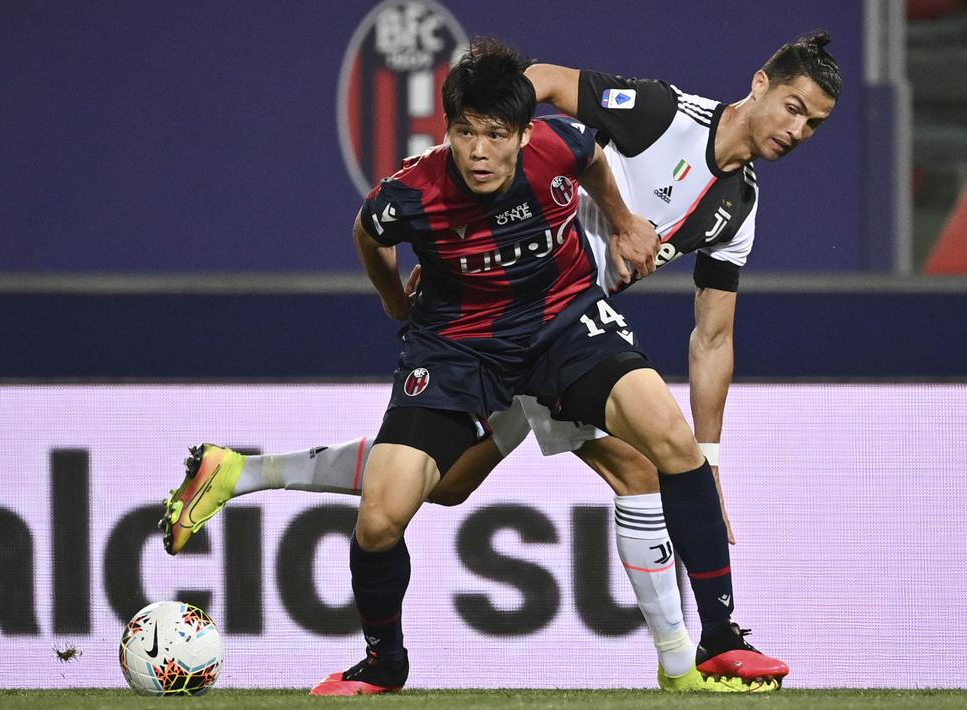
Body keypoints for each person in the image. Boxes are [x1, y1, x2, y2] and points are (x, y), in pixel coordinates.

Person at [161, 32, 840, 694]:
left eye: (813, 123)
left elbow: (712, 339)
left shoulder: (738, 206)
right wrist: (502, 185)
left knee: (468, 482)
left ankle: (243, 472)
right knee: (626, 466)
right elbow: (540, 81)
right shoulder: (661, 114)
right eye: (792, 107)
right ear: (760, 84)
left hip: (565, 325)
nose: (798, 129)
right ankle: (683, 666)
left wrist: (713, 459)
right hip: (492, 324)